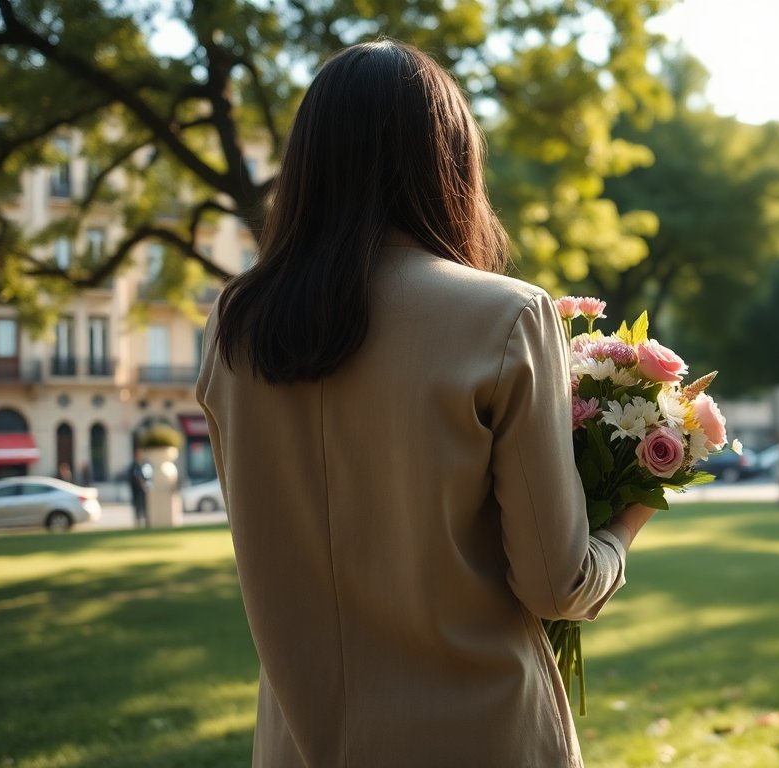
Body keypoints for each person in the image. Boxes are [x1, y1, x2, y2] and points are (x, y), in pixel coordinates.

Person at [196, 40, 656, 767]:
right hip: (480, 735)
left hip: (298, 743)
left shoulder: (232, 330)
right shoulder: (505, 316)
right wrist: (631, 515)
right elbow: (555, 583)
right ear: (450, 161)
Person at [128, 451, 150, 528]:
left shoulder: (145, 465)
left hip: (144, 490)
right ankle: (138, 522)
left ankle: (147, 521)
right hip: (136, 490)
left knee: (145, 506)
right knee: (138, 507)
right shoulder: (134, 466)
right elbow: (131, 477)